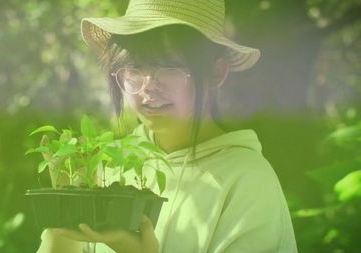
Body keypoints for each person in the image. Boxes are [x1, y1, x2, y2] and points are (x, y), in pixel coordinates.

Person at [37, 0, 298, 252]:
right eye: (133, 68)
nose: (148, 87)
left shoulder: (246, 179)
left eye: (170, 66)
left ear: (216, 73)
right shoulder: (111, 164)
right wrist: (67, 212)